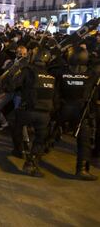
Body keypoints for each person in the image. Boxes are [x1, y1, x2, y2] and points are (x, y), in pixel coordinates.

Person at [9, 48, 56, 177]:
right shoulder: (51, 76)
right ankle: (31, 164)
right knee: (39, 140)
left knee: (13, 123)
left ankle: (18, 150)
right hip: (45, 114)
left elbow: (12, 85)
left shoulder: (27, 71)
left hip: (27, 110)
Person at [57, 47, 98, 180]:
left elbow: (55, 92)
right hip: (82, 111)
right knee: (84, 142)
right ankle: (82, 170)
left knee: (48, 134)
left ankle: (33, 160)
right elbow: (95, 95)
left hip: (63, 108)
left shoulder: (62, 72)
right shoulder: (92, 75)